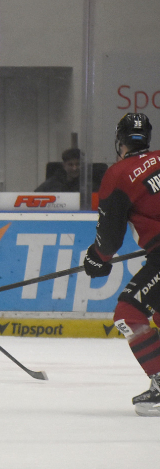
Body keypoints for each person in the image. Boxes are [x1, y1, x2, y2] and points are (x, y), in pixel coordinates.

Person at [82, 113, 160, 417]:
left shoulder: (119, 174)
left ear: (120, 140)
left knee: (129, 314)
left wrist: (97, 259)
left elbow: (110, 237)